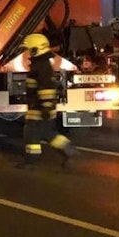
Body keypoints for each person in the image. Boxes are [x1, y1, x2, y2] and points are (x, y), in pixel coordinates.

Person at [16, 33, 77, 169]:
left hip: (39, 109)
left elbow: (46, 89)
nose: (26, 53)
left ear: (35, 50)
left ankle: (31, 161)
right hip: (41, 108)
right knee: (49, 134)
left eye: (28, 50)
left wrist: (46, 107)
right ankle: (68, 149)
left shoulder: (40, 67)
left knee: (31, 134)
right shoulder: (42, 65)